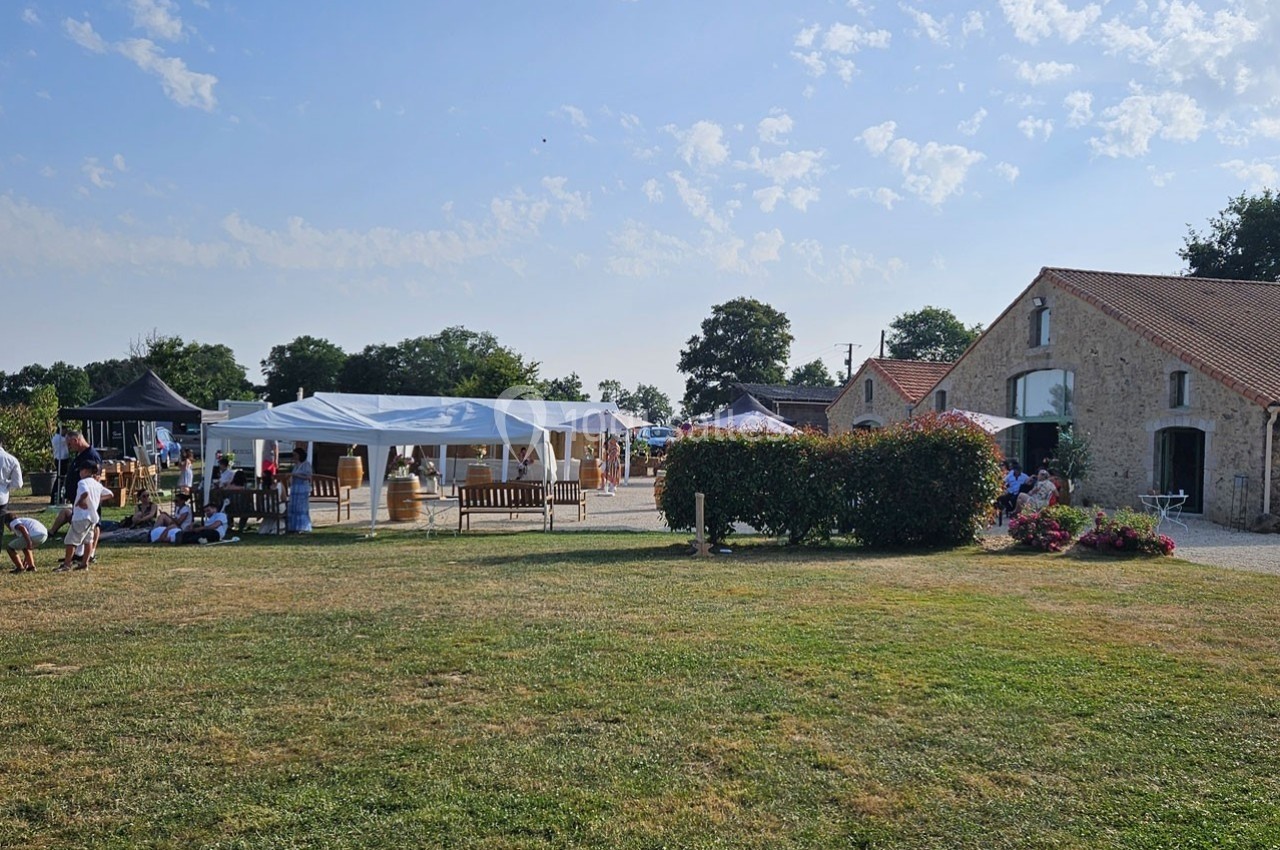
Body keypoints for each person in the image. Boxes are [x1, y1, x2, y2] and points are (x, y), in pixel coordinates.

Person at [56, 463, 111, 572]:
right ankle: (84, 563)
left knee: (70, 541)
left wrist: (81, 501)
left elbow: (85, 492)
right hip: (92, 518)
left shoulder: (82, 482)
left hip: (81, 516)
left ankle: (67, 564)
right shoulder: (97, 484)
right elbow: (110, 494)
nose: (80, 473)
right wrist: (97, 500)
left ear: (86, 471)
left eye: (81, 471)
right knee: (88, 541)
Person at [48, 431, 102, 536]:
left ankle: (92, 544)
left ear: (75, 440)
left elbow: (96, 477)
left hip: (87, 499)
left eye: (69, 444)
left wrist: (85, 498)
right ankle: (52, 532)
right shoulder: (79, 454)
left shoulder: (91, 455)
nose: (69, 447)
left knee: (93, 522)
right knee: (68, 513)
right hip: (76, 497)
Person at [286, 446, 312, 533]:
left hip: (302, 489)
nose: (294, 457)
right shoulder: (296, 465)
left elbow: (308, 477)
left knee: (301, 508)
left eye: (295, 455)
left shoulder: (306, 464)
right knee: (294, 507)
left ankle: (302, 526)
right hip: (295, 488)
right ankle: (294, 526)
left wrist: (297, 476)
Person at [0, 439, 23, 515]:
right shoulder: (12, 460)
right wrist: (6, 484)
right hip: (2, 496)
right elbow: (18, 484)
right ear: (1, 443)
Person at [50, 427, 70, 505]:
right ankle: (55, 496)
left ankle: (59, 496)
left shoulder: (58, 438)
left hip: (60, 459)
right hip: (61, 460)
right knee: (60, 479)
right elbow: (68, 439)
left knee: (62, 480)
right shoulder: (59, 439)